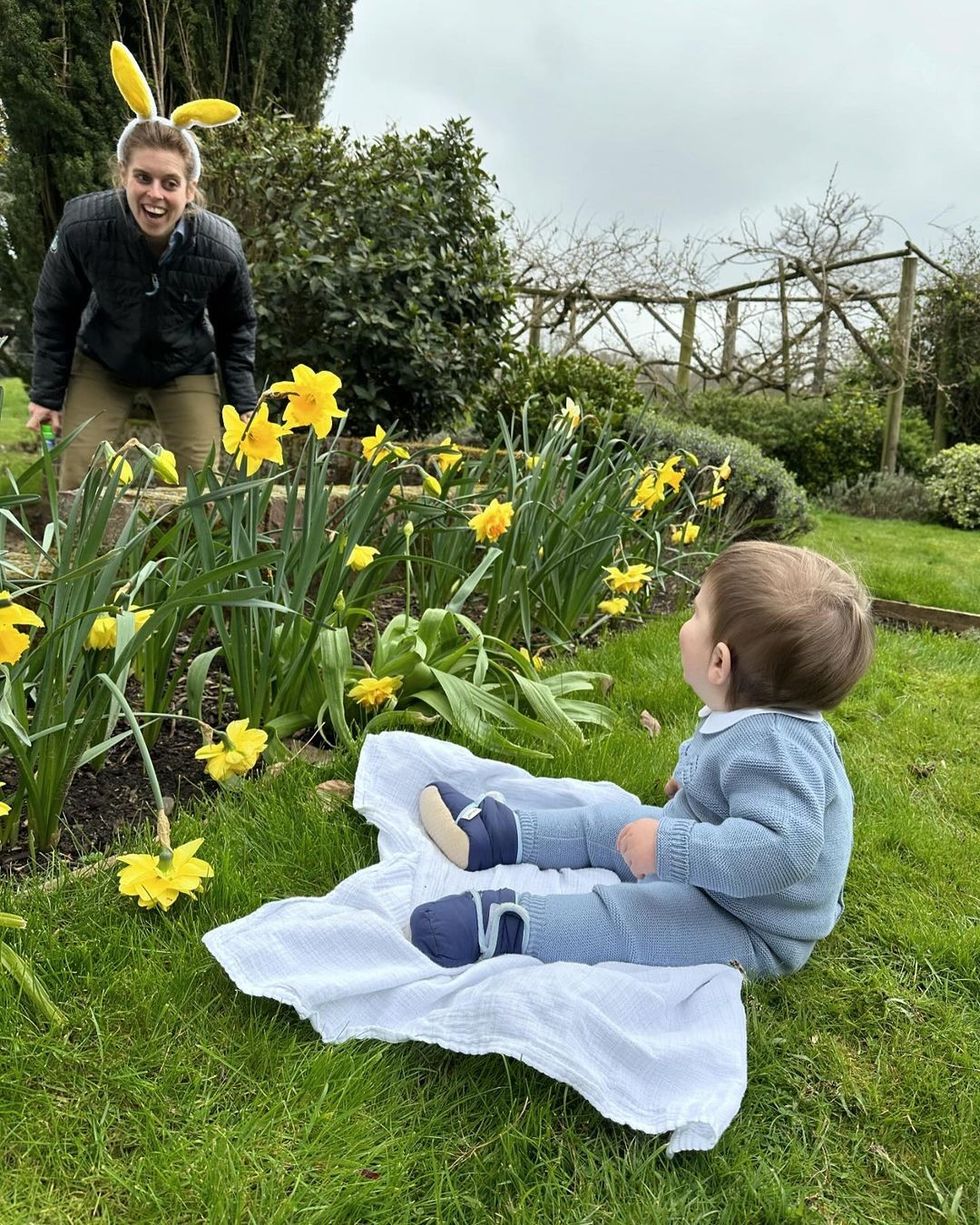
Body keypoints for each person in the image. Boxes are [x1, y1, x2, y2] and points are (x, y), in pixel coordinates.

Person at [409, 541, 875, 980]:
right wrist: (690, 787)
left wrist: (671, 847)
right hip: (721, 876)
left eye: (696, 612)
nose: (683, 624)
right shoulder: (753, 711)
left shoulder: (776, 745)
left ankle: (509, 925)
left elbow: (781, 852)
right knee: (613, 823)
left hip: (752, 924)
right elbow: (733, 772)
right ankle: (500, 834)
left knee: (631, 919)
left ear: (719, 662)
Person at [26, 41, 256, 488]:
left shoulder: (220, 245)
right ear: (123, 176)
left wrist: (244, 402)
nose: (155, 194)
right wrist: (46, 395)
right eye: (143, 178)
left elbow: (237, 325)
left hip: (183, 362)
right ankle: (79, 557)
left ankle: (199, 558)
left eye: (170, 183)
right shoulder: (83, 226)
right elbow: (55, 310)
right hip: (103, 359)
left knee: (205, 485)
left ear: (189, 190)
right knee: (78, 481)